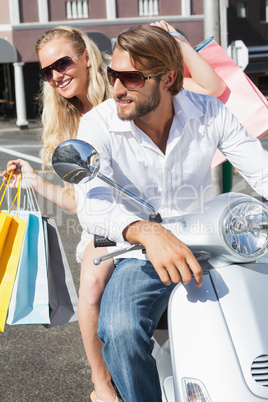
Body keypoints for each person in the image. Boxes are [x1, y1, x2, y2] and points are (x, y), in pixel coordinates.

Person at [3, 22, 226, 402]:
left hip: (174, 211)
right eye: (46, 71)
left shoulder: (132, 83)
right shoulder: (67, 121)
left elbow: (213, 90)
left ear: (86, 58)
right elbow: (81, 203)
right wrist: (36, 184)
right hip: (112, 222)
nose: (56, 76)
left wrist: (177, 42)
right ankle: (102, 384)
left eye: (62, 63)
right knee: (91, 285)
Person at [75, 24, 268, 402]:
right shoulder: (97, 123)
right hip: (140, 252)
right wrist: (146, 231)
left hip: (213, 240)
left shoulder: (210, 111)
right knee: (119, 327)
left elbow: (261, 170)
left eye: (131, 78)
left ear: (169, 78)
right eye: (113, 75)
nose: (116, 88)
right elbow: (91, 201)